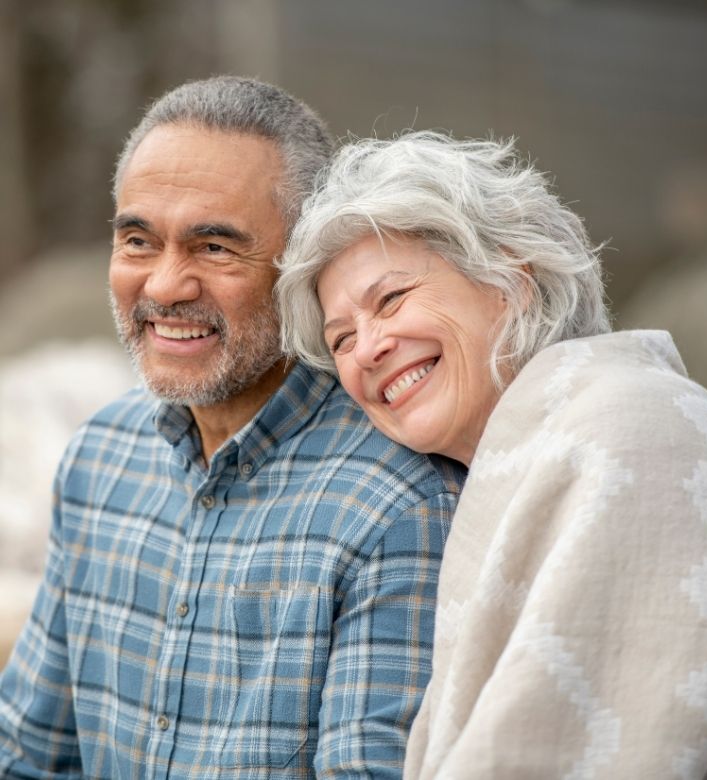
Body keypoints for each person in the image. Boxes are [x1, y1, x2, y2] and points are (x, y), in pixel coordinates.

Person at [276, 131, 707, 779]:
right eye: (340, 338)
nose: (367, 348)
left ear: (512, 278)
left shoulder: (631, 431)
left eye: (392, 299)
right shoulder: (516, 457)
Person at [0, 80, 465, 779]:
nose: (162, 287)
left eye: (214, 247)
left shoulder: (397, 503)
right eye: (137, 240)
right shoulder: (100, 457)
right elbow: (31, 753)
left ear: (305, 266)